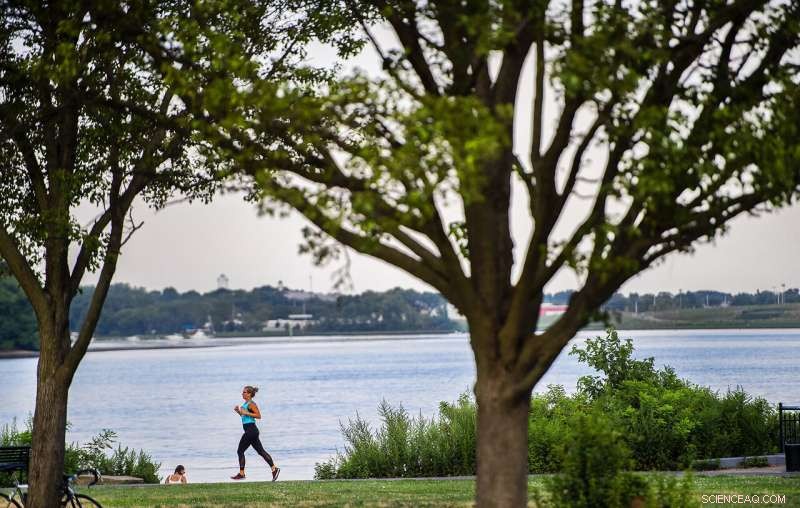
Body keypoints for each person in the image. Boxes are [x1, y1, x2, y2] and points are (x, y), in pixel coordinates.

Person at [231, 385, 280, 481]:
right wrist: (239, 412)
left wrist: (246, 413)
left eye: (244, 392)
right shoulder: (245, 404)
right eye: (243, 392)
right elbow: (245, 417)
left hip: (251, 431)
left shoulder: (251, 404)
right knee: (260, 451)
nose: (242, 393)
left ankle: (241, 473)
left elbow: (258, 415)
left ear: (249, 394)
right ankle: (274, 469)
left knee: (240, 451)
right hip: (251, 431)